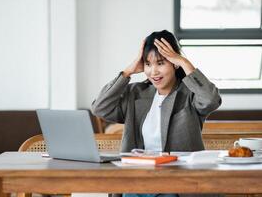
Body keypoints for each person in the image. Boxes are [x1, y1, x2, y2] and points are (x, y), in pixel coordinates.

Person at [91, 30, 222, 197]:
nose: (153, 72)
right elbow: (99, 108)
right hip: (138, 181)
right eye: (148, 64)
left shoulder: (190, 94)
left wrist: (183, 61)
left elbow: (211, 100)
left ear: (174, 63)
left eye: (160, 63)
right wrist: (128, 72)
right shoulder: (136, 93)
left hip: (179, 184)